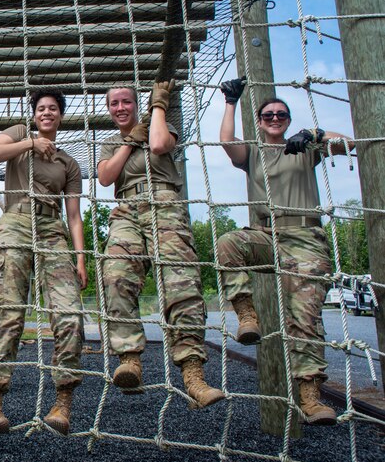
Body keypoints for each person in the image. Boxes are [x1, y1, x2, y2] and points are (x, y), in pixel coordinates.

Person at [216, 78, 354, 425]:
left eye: (281, 115)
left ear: (288, 120)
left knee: (303, 317)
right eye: (268, 115)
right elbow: (226, 141)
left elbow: (349, 144)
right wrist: (231, 102)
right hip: (269, 234)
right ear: (260, 121)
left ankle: (310, 396)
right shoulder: (253, 153)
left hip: (306, 238)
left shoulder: (305, 148)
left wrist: (316, 134)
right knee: (228, 243)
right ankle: (247, 315)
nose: (275, 119)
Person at [97, 81, 224, 409]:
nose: (121, 108)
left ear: (136, 104)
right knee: (115, 275)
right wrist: (129, 142)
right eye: (114, 103)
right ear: (109, 109)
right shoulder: (110, 142)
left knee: (180, 280)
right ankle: (129, 359)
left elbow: (157, 144)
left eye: (127, 101)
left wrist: (158, 105)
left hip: (164, 201)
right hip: (126, 207)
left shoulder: (161, 124)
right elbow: (106, 177)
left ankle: (193, 373)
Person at [0, 88, 87, 436]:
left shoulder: (68, 164)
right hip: (16, 220)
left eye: (53, 108)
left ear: (61, 116)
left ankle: (63, 401)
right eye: (41, 108)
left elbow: (74, 216)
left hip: (52, 228)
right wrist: (30, 144)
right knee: (8, 312)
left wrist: (80, 259)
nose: (47, 113)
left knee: (69, 313)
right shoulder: (19, 134)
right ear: (34, 114)